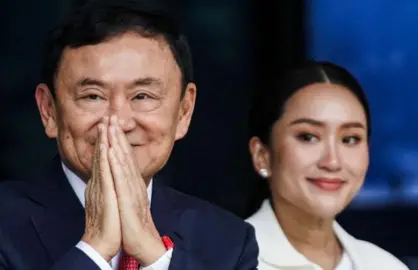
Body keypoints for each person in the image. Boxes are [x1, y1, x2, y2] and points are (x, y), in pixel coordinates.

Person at [0, 1, 258, 269]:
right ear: (49, 111)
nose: (120, 122)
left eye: (143, 96)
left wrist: (154, 256)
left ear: (184, 112)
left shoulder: (228, 241)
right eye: (93, 96)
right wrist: (95, 248)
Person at [245, 60, 409, 270]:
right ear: (262, 155)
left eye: (350, 139)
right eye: (308, 137)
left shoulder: (385, 266)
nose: (332, 162)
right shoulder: (221, 260)